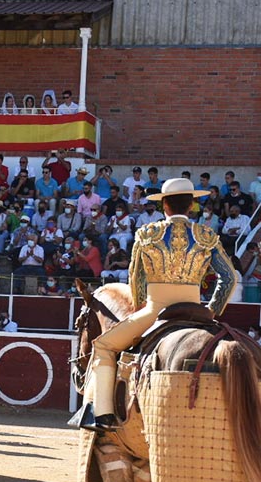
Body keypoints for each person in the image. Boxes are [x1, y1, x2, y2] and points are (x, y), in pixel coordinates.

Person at [83, 178, 237, 432]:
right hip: (197, 313)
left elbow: (137, 279)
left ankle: (103, 415)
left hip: (155, 311)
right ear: (191, 206)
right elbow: (229, 277)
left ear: (164, 205)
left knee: (104, 345)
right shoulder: (206, 235)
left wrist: (141, 308)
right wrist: (211, 310)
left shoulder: (147, 234)